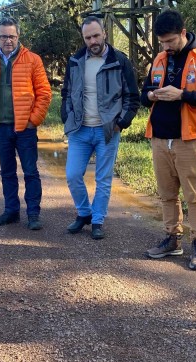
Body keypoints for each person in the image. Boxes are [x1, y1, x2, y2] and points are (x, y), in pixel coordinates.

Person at [140, 9, 196, 270]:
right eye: (162, 42)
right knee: (166, 194)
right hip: (160, 138)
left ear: (183, 34)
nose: (166, 47)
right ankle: (172, 239)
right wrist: (152, 96)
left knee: (194, 195)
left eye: (171, 41)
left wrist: (182, 95)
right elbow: (143, 94)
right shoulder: (160, 59)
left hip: (190, 138)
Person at [61, 16, 140, 240]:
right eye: (88, 37)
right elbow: (66, 93)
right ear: (83, 38)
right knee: (73, 175)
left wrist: (121, 123)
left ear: (104, 33)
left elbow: (132, 97)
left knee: (103, 179)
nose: (93, 41)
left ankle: (97, 220)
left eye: (96, 35)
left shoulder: (120, 61)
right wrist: (67, 115)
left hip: (107, 130)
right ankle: (84, 212)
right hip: (80, 130)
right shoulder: (75, 61)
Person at [0, 17, 52, 230]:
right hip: (0, 127)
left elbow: (44, 92)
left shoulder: (33, 59)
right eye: (4, 36)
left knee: (30, 172)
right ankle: (11, 212)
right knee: (7, 172)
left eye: (12, 36)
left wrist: (33, 120)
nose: (8, 40)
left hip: (25, 128)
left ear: (18, 37)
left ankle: (33, 214)